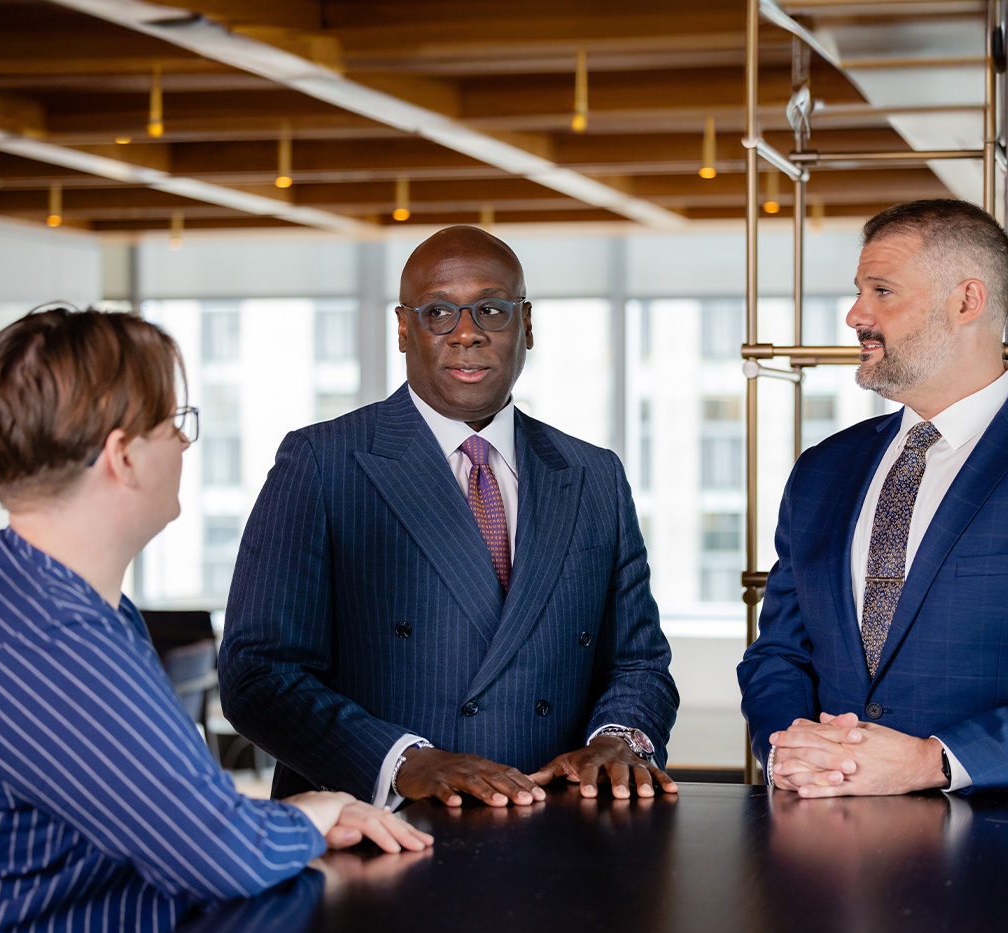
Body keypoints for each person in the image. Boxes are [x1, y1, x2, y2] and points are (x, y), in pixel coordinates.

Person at [0, 308, 432, 933]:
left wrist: (274, 820)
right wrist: (310, 815)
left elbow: (163, 812)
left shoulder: (43, 595)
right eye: (172, 423)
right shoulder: (56, 639)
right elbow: (221, 855)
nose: (184, 444)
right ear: (123, 457)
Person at [219, 225, 679, 808]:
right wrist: (403, 761)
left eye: (491, 310)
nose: (467, 333)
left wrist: (618, 739)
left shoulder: (594, 474)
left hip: (557, 822)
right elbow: (258, 674)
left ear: (526, 323)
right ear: (404, 329)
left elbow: (639, 661)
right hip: (381, 827)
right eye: (439, 312)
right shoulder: (322, 461)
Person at [738, 198, 1008, 797]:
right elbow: (780, 653)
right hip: (822, 834)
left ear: (967, 301)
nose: (855, 315)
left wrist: (932, 762)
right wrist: (788, 747)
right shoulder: (823, 469)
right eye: (858, 292)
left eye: (882, 291)